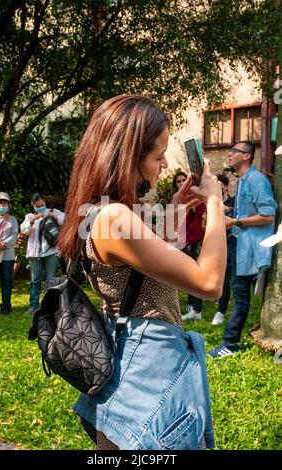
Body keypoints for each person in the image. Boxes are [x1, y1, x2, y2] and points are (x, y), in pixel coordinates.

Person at [58, 95, 226, 450]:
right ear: (128, 158)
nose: (164, 164)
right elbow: (209, 283)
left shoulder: (101, 212)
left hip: (131, 371)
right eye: (158, 155)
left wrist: (177, 209)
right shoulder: (115, 218)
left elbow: (142, 263)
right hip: (145, 380)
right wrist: (215, 206)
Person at [209, 141, 277, 358]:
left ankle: (230, 343)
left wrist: (236, 221)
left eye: (234, 151)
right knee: (238, 295)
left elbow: (268, 215)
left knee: (240, 298)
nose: (229, 154)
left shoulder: (257, 180)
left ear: (246, 156)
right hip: (239, 246)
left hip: (249, 249)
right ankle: (231, 342)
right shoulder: (244, 181)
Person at [20, 193, 65, 314]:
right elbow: (24, 231)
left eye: (42, 205)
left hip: (51, 251)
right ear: (33, 205)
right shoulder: (29, 216)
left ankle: (49, 306)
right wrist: (32, 221)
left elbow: (65, 220)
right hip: (34, 253)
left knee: (50, 279)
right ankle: (33, 306)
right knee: (35, 280)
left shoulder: (53, 211)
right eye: (37, 205)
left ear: (45, 202)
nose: (40, 207)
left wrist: (54, 216)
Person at [172, 172, 206, 321]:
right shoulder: (176, 200)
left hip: (194, 240)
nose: (181, 183)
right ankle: (191, 305)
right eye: (178, 181)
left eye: (183, 180)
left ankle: (197, 309)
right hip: (180, 241)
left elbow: (198, 220)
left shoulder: (195, 198)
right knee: (186, 276)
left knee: (195, 275)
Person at [211, 173, 235, 326]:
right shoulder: (212, 205)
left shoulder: (234, 202)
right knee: (224, 279)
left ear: (225, 187)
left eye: (220, 185)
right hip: (219, 246)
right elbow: (205, 227)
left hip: (235, 243)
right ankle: (220, 311)